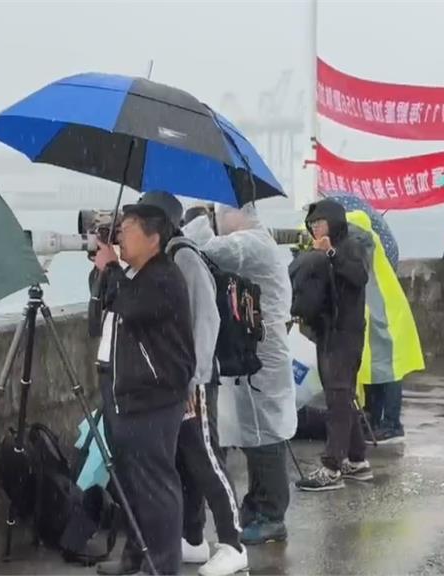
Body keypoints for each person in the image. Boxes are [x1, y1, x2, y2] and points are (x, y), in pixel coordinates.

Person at [182, 203, 297, 545]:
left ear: (236, 213)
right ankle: (257, 507)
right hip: (256, 349)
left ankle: (271, 514)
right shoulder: (256, 242)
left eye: (220, 215)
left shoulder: (252, 243)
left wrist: (196, 223)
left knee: (267, 436)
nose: (219, 222)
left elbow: (209, 251)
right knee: (255, 435)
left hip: (263, 352)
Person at [92, 201, 196, 576]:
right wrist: (104, 273)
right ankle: (136, 555)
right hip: (124, 393)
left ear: (154, 236)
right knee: (129, 485)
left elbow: (132, 308)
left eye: (129, 226)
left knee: (156, 486)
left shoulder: (163, 276)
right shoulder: (134, 275)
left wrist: (113, 268)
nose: (121, 232)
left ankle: (164, 567)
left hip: (153, 397)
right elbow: (99, 317)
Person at [158, 197, 248, 576]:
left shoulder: (185, 259)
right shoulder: (167, 259)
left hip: (195, 380)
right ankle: (193, 538)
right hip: (179, 380)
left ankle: (233, 542)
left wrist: (193, 378)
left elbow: (206, 321)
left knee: (206, 459)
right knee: (185, 460)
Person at [295, 199, 371, 492]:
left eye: (320, 223)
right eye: (312, 224)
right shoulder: (321, 250)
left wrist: (330, 252)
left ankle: (332, 466)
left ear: (334, 223)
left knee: (338, 397)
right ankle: (357, 459)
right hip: (326, 330)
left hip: (345, 333)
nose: (315, 228)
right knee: (340, 394)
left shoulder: (351, 246)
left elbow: (359, 276)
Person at [348, 210, 425, 445]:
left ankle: (392, 423)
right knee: (374, 370)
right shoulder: (365, 240)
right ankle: (373, 418)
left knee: (390, 372)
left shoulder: (364, 239)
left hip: (386, 313)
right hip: (375, 312)